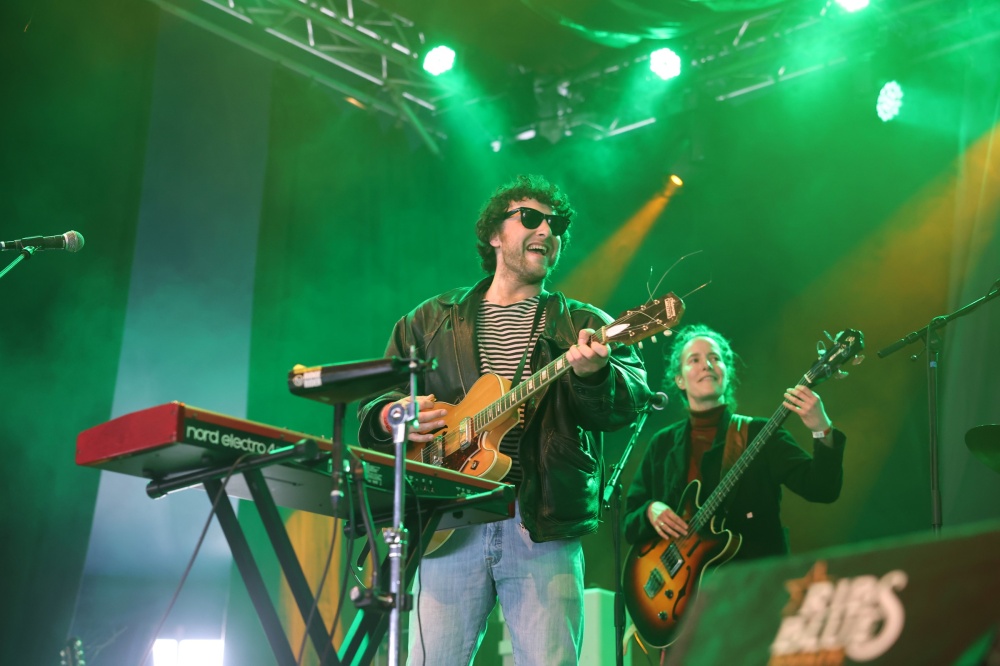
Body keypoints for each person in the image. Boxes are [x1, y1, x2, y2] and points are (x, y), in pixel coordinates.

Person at [357, 174, 648, 665]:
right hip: (448, 520)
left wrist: (596, 375)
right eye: (530, 218)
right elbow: (376, 400)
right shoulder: (431, 319)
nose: (546, 231)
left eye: (556, 225)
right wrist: (394, 414)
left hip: (539, 524)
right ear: (494, 233)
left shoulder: (582, 324)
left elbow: (627, 404)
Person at [624, 322, 845, 564]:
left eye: (715, 358)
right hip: (683, 585)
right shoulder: (662, 444)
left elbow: (822, 489)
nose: (707, 365)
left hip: (753, 576)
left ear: (727, 373)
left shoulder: (760, 433)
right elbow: (629, 523)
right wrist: (649, 511)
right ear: (679, 380)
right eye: (694, 360)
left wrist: (822, 429)